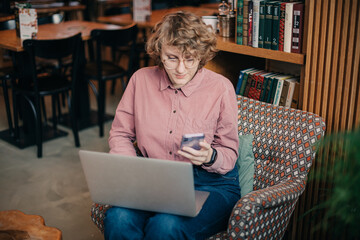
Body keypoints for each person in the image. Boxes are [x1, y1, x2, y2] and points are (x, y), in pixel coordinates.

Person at [105, 11, 241, 240]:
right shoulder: (140, 80)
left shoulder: (221, 88)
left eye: (190, 59)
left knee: (166, 226)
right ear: (159, 52)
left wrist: (210, 157)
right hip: (156, 178)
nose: (180, 69)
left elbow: (229, 154)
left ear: (201, 56)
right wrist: (129, 169)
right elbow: (120, 133)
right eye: (172, 57)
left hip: (210, 183)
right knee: (117, 218)